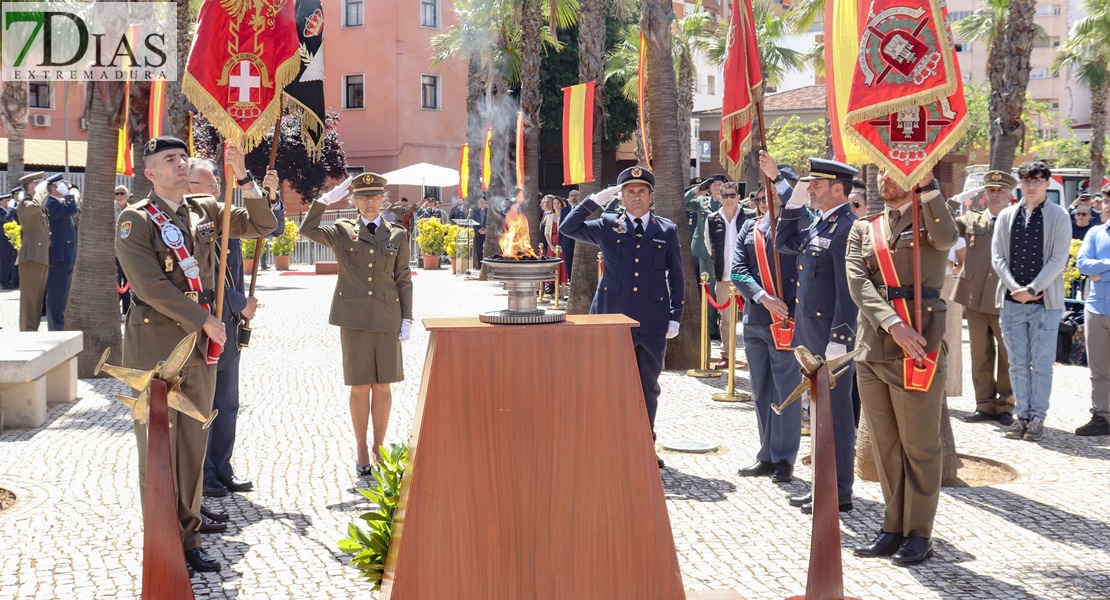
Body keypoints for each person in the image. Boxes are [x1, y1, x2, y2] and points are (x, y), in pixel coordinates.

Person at [115, 136, 277, 573]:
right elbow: (149, 286)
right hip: (157, 348)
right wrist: (203, 318)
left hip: (200, 347)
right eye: (170, 159)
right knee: (158, 448)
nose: (181, 164)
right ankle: (162, 539)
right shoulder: (135, 219)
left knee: (191, 443)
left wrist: (244, 178)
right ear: (149, 173)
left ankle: (187, 538)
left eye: (183, 157)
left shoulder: (205, 209)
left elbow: (265, 226)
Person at [846, 167, 958, 566]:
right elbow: (858, 282)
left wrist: (928, 188)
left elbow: (948, 239)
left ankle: (919, 534)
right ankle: (892, 527)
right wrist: (892, 324)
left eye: (895, 172)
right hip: (875, 347)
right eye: (880, 172)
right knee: (886, 448)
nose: (884, 179)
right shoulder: (864, 228)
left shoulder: (932, 215)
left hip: (918, 346)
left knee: (921, 448)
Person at [560, 166, 685, 469]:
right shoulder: (606, 224)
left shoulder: (665, 230)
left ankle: (644, 445)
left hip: (652, 321)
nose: (636, 196)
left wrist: (675, 316)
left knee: (647, 387)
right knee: (607, 385)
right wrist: (596, 201)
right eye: (630, 192)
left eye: (642, 191)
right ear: (622, 198)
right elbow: (568, 227)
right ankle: (607, 443)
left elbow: (678, 276)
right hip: (610, 320)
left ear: (651, 196)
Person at [300, 173, 414, 475]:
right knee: (360, 386)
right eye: (363, 197)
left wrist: (407, 317)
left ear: (383, 199)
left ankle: (379, 449)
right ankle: (362, 449)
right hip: (354, 318)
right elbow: (307, 229)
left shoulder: (397, 234)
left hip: (387, 317)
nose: (369, 202)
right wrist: (325, 201)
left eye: (375, 196)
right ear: (354, 200)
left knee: (384, 385)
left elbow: (403, 278)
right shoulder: (342, 230)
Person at [188, 158, 279, 507]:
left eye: (216, 187)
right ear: (190, 188)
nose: (215, 193)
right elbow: (204, 273)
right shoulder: (192, 221)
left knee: (227, 402)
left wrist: (268, 194)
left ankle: (222, 467)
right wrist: (240, 300)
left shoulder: (223, 215)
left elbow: (270, 227)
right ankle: (205, 471)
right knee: (205, 403)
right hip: (205, 322)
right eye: (210, 187)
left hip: (229, 326)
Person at [774, 154, 860, 516]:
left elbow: (848, 290)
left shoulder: (846, 228)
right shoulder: (821, 223)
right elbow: (784, 242)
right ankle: (823, 485)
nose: (810, 190)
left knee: (836, 416)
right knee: (819, 414)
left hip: (830, 339)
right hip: (811, 336)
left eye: (817, 185)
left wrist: (840, 338)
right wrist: (792, 201)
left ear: (837, 188)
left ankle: (838, 490)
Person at [992, 161, 1072, 442]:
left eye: (1037, 180)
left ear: (1047, 183)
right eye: (1026, 180)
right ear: (1020, 183)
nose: (1031, 185)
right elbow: (998, 257)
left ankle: (1037, 417)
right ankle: (1021, 416)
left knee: (1041, 364)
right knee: (1016, 363)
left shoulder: (1059, 216)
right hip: (1013, 302)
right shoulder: (1006, 216)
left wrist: (1034, 288)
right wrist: (1016, 288)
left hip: (1044, 304)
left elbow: (1058, 259)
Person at [731, 178, 802, 483]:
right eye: (761, 199)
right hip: (756, 317)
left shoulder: (798, 226)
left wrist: (777, 303)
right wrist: (762, 296)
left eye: (771, 196)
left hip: (786, 320)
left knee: (786, 391)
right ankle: (767, 454)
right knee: (760, 390)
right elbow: (737, 269)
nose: (765, 203)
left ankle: (785, 458)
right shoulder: (749, 228)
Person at [951, 171, 1015, 425]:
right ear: (984, 194)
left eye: (1000, 190)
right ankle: (984, 404)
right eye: (991, 190)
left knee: (1008, 356)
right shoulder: (972, 219)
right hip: (975, 298)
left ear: (1010, 194)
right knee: (980, 354)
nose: (995, 194)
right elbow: (942, 222)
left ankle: (1005, 405)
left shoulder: (1017, 220)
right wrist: (956, 199)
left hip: (1005, 298)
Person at [706, 182, 748, 368]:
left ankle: (754, 355)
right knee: (726, 320)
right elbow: (709, 247)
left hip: (749, 277)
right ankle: (727, 355)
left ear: (738, 196)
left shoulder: (750, 217)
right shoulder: (712, 219)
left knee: (753, 319)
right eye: (725, 196)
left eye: (732, 195)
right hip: (724, 277)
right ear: (720, 198)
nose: (729, 199)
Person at [1076, 213, 1110, 436]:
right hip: (1096, 308)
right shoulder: (1095, 232)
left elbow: (1093, 270)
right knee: (1098, 369)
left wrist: (1101, 273)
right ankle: (1102, 417)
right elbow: (1082, 264)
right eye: (1107, 201)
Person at [15, 172, 50, 331]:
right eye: (36, 186)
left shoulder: (38, 207)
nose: (40, 189)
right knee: (29, 301)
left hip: (41, 257)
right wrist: (41, 192)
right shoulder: (25, 204)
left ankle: (32, 330)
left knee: (37, 301)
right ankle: (26, 331)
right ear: (30, 188)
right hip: (30, 258)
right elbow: (34, 206)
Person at [43, 178, 79, 330]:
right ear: (53, 187)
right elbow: (73, 210)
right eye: (61, 186)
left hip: (66, 253)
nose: (66, 188)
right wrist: (69, 196)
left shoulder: (57, 203)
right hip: (60, 253)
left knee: (63, 291)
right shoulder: (52, 204)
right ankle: (55, 325)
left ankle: (59, 323)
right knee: (57, 291)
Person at [115, 185, 133, 316]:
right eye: (117, 193)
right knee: (115, 280)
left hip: (128, 252)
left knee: (128, 281)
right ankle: (115, 308)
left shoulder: (132, 210)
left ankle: (126, 309)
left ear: (127, 195)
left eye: (122, 193)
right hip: (113, 252)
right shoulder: (109, 210)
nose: (120, 196)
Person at [473, 197, 488, 264]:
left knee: (487, 249)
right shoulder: (475, 212)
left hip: (487, 233)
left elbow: (491, 222)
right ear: (478, 204)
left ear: (485, 204)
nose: (482, 204)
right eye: (480, 202)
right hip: (478, 233)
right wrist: (478, 230)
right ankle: (480, 264)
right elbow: (473, 222)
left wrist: (486, 230)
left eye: (483, 202)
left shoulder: (488, 211)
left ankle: (487, 263)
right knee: (479, 249)